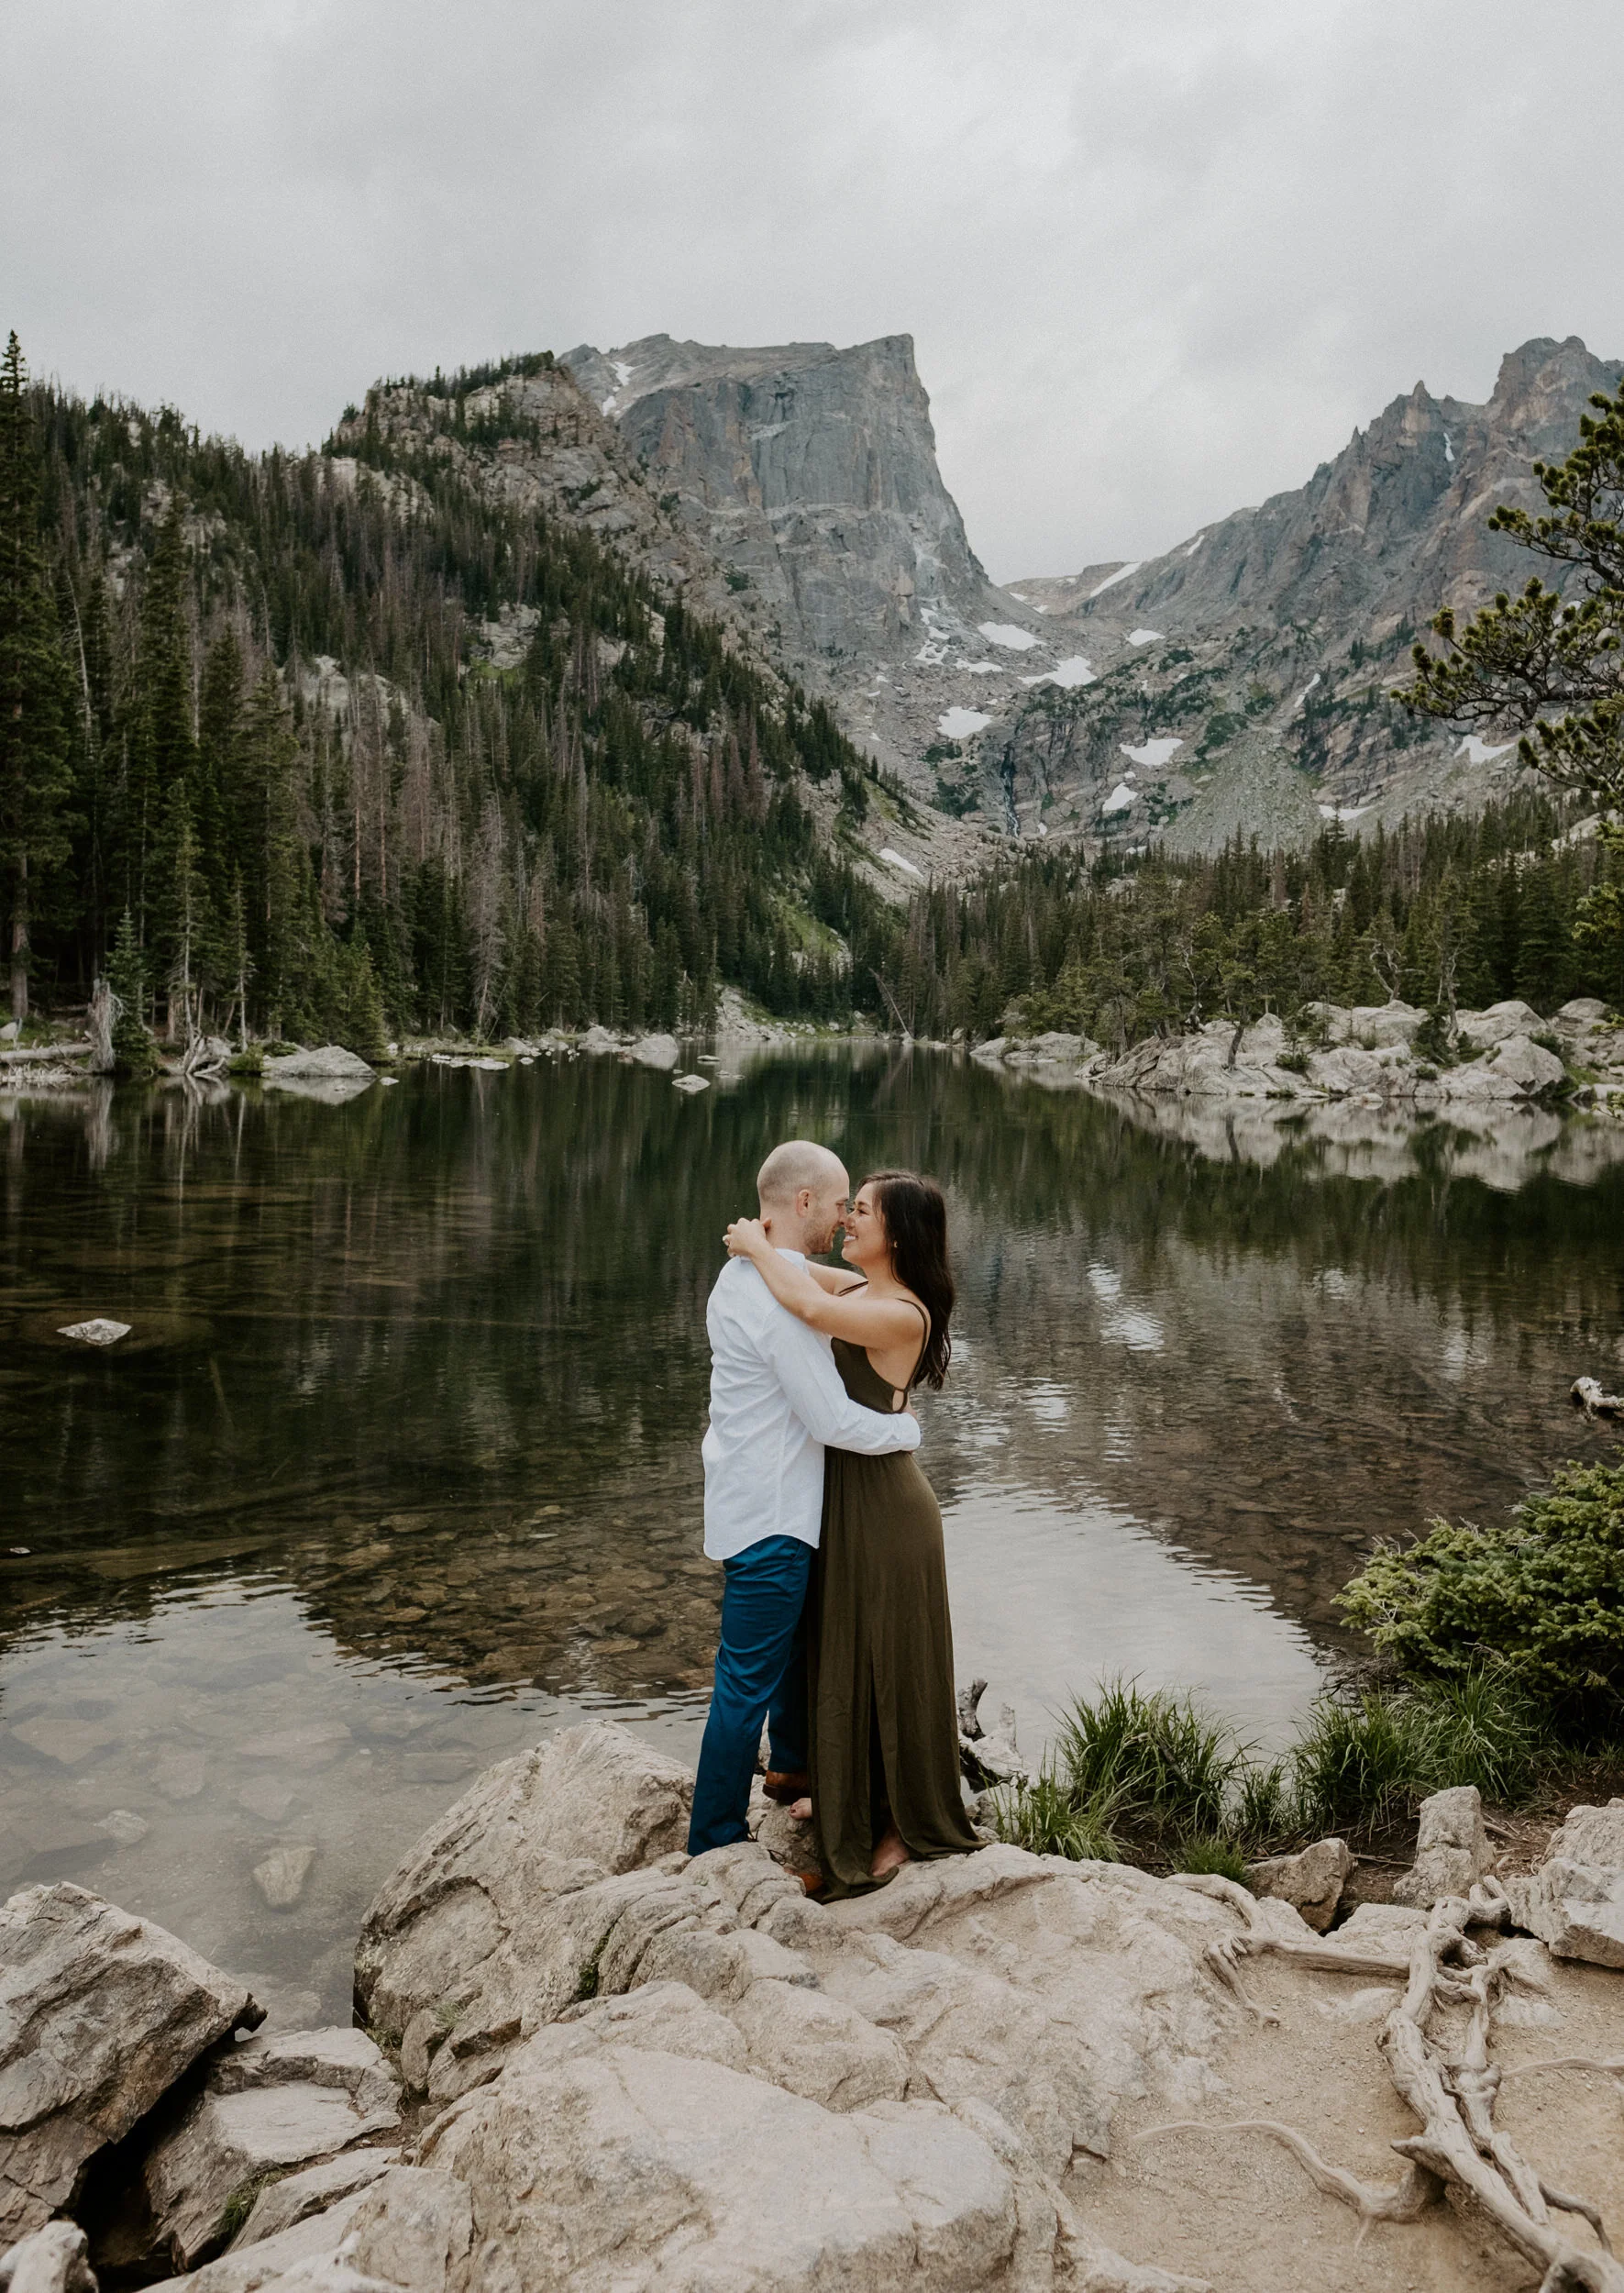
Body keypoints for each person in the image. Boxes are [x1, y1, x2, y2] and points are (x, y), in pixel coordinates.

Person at [724, 1169, 979, 1898]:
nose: (846, 1221)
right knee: (843, 1654)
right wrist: (771, 1245)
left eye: (860, 1212)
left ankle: (903, 1827)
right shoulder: (863, 1290)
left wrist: (753, 1244)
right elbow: (810, 1275)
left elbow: (802, 1298)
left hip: (888, 1511)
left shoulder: (901, 1312)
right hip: (842, 1500)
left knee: (890, 1665)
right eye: (847, 1208)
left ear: (895, 1234)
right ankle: (848, 1798)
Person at [687, 1139, 924, 1857]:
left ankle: (790, 1766)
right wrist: (905, 1429)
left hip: (743, 1498)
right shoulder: (778, 1298)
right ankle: (715, 1840)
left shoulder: (741, 1274)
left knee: (789, 1651)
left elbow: (819, 1284)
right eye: (835, 1203)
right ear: (800, 1203)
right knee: (744, 1681)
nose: (841, 1220)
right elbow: (828, 1421)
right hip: (774, 1512)